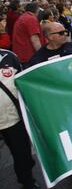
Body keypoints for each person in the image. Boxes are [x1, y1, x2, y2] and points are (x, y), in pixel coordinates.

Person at [0, 48, 40, 189]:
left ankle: (27, 181)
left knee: (22, 154)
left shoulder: (8, 56)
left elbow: (23, 82)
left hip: (13, 118)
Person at [12, 3, 45, 69]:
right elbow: (35, 39)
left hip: (23, 55)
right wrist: (42, 55)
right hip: (29, 56)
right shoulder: (31, 19)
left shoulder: (23, 17)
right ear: (37, 10)